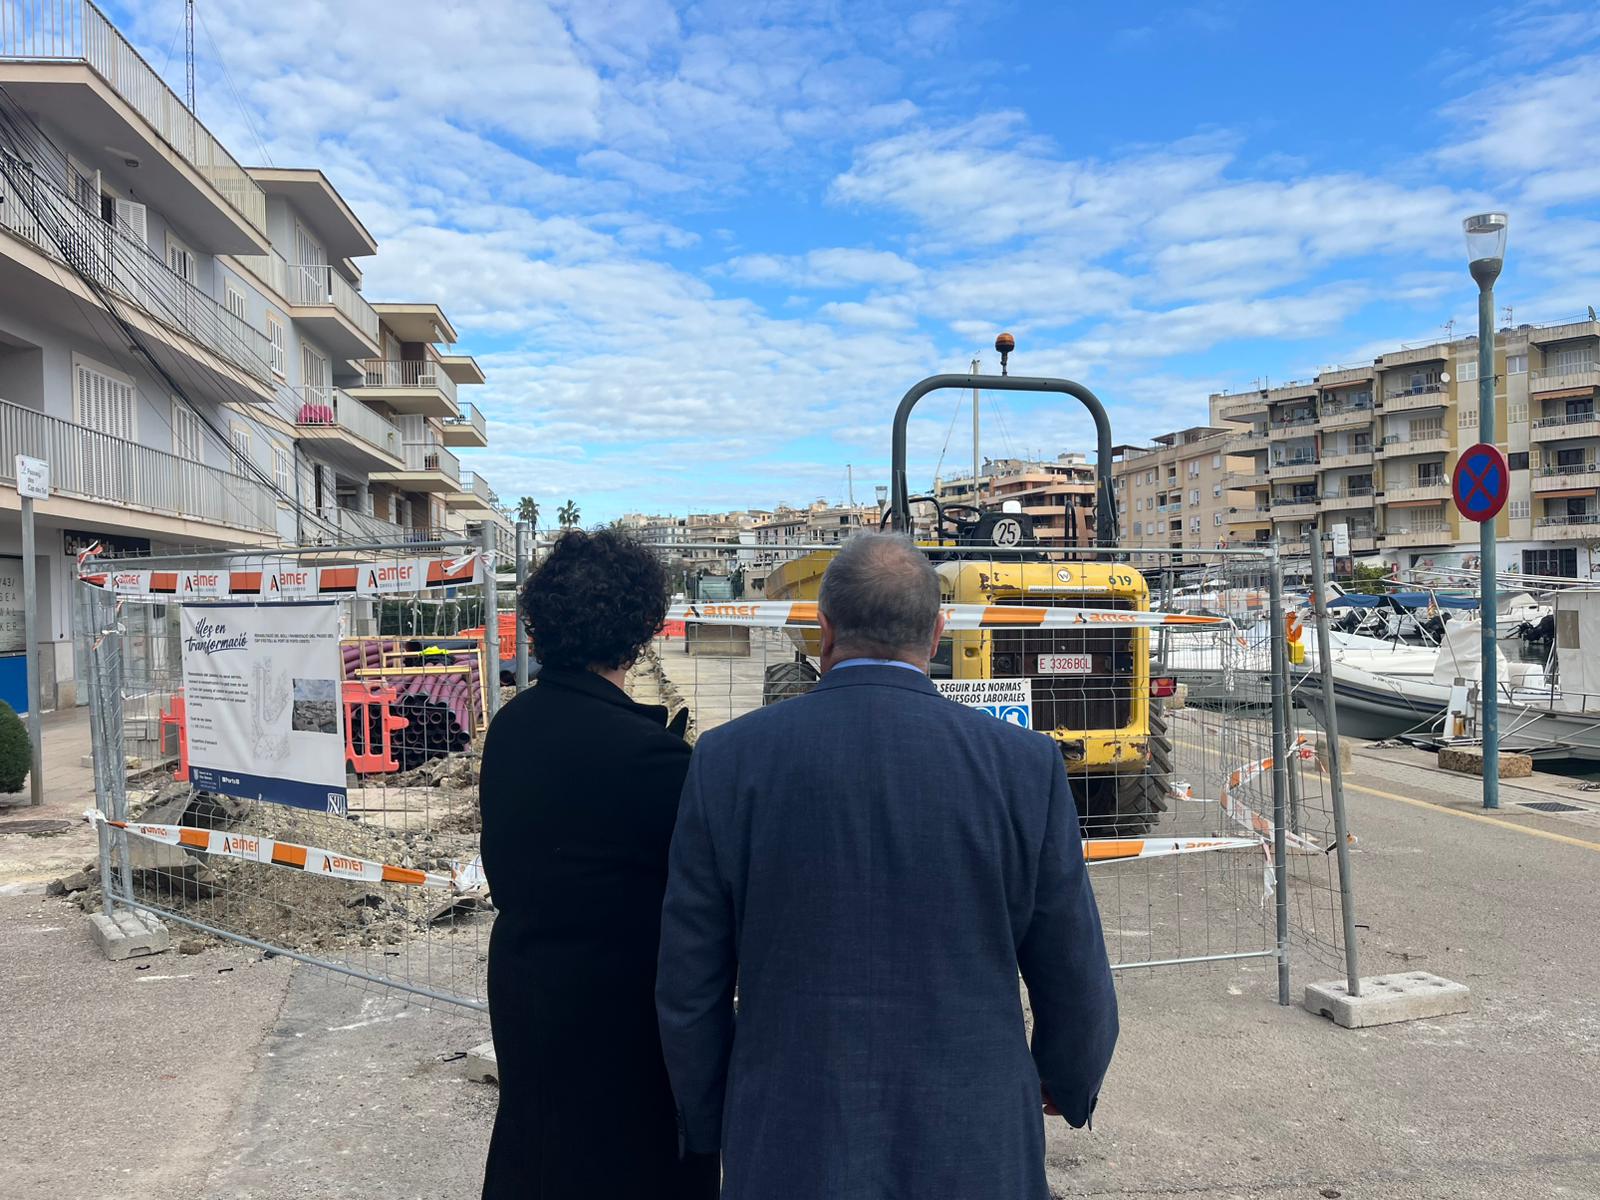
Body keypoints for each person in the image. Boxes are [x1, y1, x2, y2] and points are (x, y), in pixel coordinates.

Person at [657, 532, 1118, 1199]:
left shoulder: (728, 762)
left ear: (824, 630)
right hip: (974, 1140)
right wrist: (1068, 1078)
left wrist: (709, 1116)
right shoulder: (1023, 766)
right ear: (936, 632)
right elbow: (1075, 973)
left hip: (791, 1137)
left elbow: (689, 982)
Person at [478, 529, 718, 1200]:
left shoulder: (512, 726)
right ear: (640, 629)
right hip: (624, 1025)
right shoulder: (655, 759)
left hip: (527, 995)